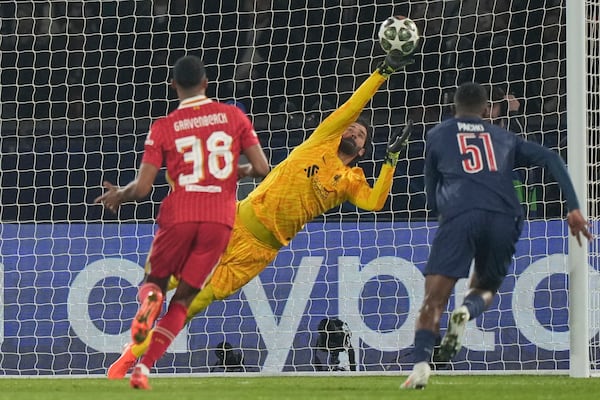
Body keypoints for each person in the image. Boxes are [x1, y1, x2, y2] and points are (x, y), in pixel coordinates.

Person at [106, 49, 415, 379]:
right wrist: (383, 72)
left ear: (363, 150)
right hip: (236, 220)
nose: (353, 133)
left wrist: (391, 160)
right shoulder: (320, 142)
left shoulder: (351, 180)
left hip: (260, 251)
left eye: (360, 135)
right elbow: (352, 106)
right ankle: (148, 306)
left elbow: (374, 202)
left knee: (192, 305)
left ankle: (132, 357)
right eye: (351, 130)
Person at [400, 82, 592, 390]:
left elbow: (431, 194)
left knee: (433, 300)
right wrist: (573, 208)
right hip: (505, 216)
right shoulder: (505, 137)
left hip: (460, 214)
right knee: (486, 288)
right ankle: (466, 311)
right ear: (487, 109)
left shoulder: (437, 135)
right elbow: (552, 158)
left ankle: (421, 365)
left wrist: (445, 212)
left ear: (454, 107)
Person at [95, 55, 270, 390]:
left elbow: (143, 188)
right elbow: (262, 169)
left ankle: (150, 299)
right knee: (184, 302)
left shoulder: (164, 126)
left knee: (154, 283)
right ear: (206, 83)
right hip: (220, 218)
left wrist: (120, 194)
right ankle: (144, 368)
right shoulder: (234, 116)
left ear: (173, 85)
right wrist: (237, 170)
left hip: (180, 213)